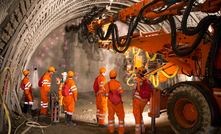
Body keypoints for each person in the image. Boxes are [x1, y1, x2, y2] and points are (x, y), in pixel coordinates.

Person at [103, 70, 127, 134]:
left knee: (111, 116)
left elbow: (103, 94)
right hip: (118, 103)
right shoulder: (118, 84)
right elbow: (122, 94)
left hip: (110, 103)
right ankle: (121, 131)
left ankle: (111, 131)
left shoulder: (106, 85)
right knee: (121, 116)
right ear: (115, 76)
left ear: (110, 76)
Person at [132, 67, 154, 134]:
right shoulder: (147, 80)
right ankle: (143, 128)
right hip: (144, 101)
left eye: (137, 73)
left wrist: (132, 96)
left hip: (137, 100)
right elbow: (152, 88)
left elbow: (134, 89)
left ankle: (138, 131)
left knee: (137, 114)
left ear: (139, 74)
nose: (136, 74)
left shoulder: (136, 80)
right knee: (139, 113)